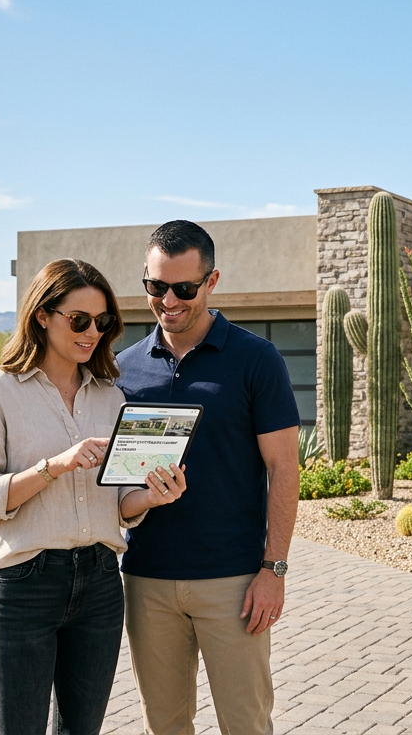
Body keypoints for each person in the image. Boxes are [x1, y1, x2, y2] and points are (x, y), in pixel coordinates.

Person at [0, 258, 187, 735]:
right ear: (42, 315)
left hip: (101, 584)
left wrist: (151, 496)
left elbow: (120, 503)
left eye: (102, 323)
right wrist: (54, 466)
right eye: (79, 320)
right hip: (23, 586)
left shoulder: (111, 398)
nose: (92, 333)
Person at [117, 220, 301, 735]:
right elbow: (118, 487)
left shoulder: (255, 359)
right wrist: (142, 501)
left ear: (212, 281)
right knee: (166, 725)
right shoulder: (122, 370)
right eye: (156, 286)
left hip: (234, 583)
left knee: (246, 724)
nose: (168, 300)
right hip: (147, 580)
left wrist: (274, 570)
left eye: (183, 288)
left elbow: (285, 468)